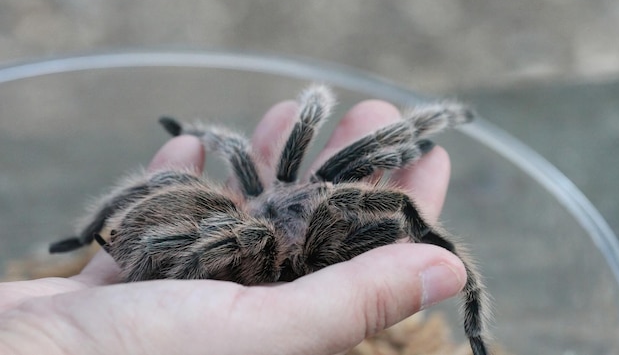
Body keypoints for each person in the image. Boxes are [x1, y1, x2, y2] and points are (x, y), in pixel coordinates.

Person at [0, 99, 466, 355]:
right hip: (220, 239)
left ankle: (85, 235)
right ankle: (94, 241)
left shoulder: (284, 187)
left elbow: (246, 141)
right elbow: (276, 132)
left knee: (174, 178)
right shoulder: (262, 231)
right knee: (182, 183)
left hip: (224, 224)